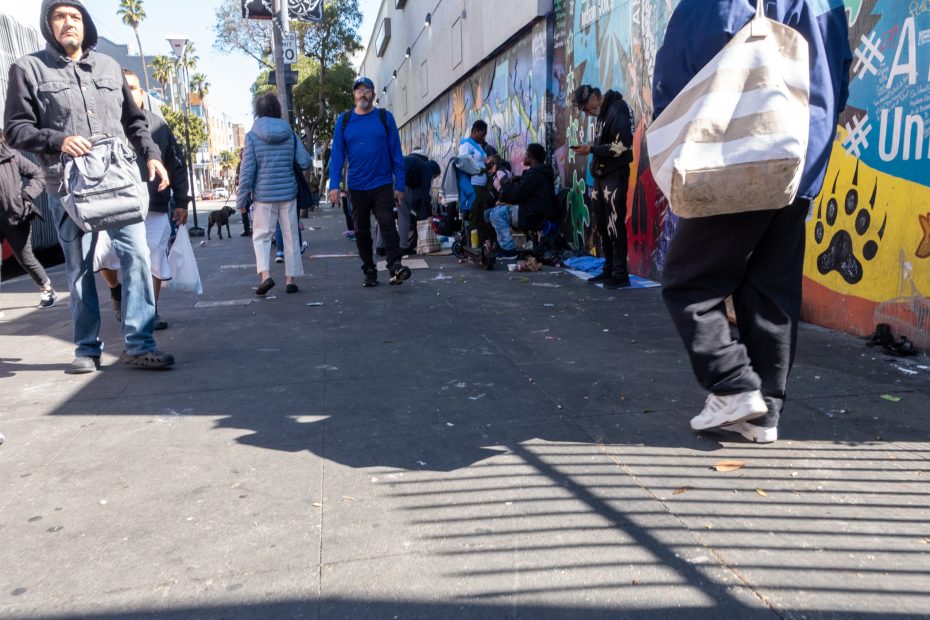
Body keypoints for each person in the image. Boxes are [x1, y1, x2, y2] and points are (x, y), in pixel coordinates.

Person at [654, 0, 851, 443]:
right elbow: (841, 75)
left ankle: (733, 383)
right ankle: (764, 415)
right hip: (802, 155)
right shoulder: (828, 5)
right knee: (770, 287)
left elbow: (684, 63)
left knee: (688, 281)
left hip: (739, 154)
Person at [3, 0, 173, 373]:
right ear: (49, 24)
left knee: (138, 257)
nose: (68, 23)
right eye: (60, 16)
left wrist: (152, 156)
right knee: (78, 267)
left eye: (75, 17)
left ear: (86, 24)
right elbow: (15, 130)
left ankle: (140, 343)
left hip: (118, 183)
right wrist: (57, 139)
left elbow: (136, 123)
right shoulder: (27, 69)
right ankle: (86, 349)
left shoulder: (110, 67)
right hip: (68, 190)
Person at [96, 69, 189, 331]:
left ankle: (150, 310)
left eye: (134, 87)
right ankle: (116, 290)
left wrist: (182, 201)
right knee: (103, 255)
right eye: (123, 87)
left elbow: (176, 164)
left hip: (154, 205)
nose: (128, 92)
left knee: (154, 257)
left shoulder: (158, 124)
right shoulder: (104, 123)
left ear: (141, 93)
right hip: (112, 205)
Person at [328, 77, 411, 287]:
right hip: (356, 186)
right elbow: (337, 154)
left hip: (382, 183)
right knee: (361, 231)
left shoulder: (385, 118)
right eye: (358, 90)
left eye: (367, 90)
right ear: (354, 95)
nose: (362, 94)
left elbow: (396, 153)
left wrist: (399, 185)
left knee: (387, 225)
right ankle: (369, 270)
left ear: (373, 94)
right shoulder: (344, 120)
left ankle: (395, 266)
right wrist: (334, 185)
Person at [237, 93, 311, 296]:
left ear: (257, 112)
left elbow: (247, 170)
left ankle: (266, 275)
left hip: (264, 196)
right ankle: (290, 279)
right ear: (277, 110)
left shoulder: (252, 136)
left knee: (261, 237)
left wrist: (241, 198)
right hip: (288, 193)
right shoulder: (290, 133)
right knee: (291, 236)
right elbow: (305, 162)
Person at [572, 84, 635, 289]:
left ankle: (620, 273)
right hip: (602, 175)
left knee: (614, 224)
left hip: (614, 174)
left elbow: (622, 145)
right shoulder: (603, 114)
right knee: (601, 224)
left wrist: (592, 149)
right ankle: (609, 269)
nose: (586, 113)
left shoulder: (618, 108)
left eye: (585, 108)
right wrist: (593, 150)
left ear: (594, 99)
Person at [0, 129, 57, 309]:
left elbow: (38, 174)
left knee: (25, 258)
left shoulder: (12, 157)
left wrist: (26, 195)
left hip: (16, 217)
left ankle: (46, 287)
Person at [487, 143, 558, 259]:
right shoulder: (540, 172)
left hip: (534, 214)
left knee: (497, 214)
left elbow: (515, 196)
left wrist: (505, 183)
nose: (524, 157)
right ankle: (500, 245)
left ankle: (508, 250)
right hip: (537, 211)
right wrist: (518, 180)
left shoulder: (534, 174)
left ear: (530, 157)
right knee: (489, 213)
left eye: (525, 154)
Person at [457, 120, 493, 244]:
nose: (483, 137)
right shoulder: (466, 145)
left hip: (482, 185)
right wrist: (481, 169)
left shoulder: (477, 145)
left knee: (481, 216)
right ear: (475, 131)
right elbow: (463, 164)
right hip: (473, 185)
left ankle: (482, 243)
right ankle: (474, 244)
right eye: (482, 134)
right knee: (474, 216)